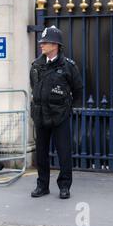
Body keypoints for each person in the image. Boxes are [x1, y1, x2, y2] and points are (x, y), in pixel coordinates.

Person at [29, 25, 83, 199]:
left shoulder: (68, 66)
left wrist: (67, 109)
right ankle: (42, 185)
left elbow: (78, 90)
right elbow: (34, 86)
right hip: (40, 115)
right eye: (41, 42)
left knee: (64, 152)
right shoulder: (36, 65)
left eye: (45, 42)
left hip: (60, 116)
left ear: (55, 45)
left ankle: (64, 186)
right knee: (42, 153)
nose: (41, 45)